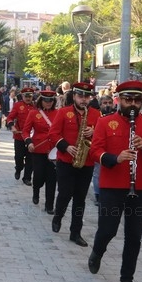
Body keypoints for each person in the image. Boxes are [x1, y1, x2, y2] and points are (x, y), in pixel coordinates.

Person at [88, 81, 142, 282]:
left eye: (137, 100)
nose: (132, 104)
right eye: (128, 99)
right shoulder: (105, 122)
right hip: (112, 187)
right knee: (108, 230)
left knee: (134, 237)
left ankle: (126, 279)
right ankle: (97, 251)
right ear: (119, 99)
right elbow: (95, 151)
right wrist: (116, 158)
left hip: (139, 189)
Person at [48, 82, 100, 247]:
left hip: (87, 162)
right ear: (74, 96)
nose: (84, 100)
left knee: (80, 199)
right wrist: (66, 147)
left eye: (87, 97)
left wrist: (95, 132)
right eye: (81, 96)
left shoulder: (97, 115)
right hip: (66, 161)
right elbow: (53, 134)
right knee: (65, 194)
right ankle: (58, 217)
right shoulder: (63, 112)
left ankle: (75, 232)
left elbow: (102, 138)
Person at [21, 90, 58, 213]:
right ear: (41, 100)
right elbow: (26, 131)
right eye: (46, 100)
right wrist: (29, 142)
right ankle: (36, 191)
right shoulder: (33, 113)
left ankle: (49, 205)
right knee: (38, 176)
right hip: (38, 149)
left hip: (53, 151)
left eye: (51, 100)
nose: (48, 103)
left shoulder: (58, 113)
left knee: (52, 179)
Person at [7, 87, 35, 185]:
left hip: (31, 137)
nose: (28, 98)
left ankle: (27, 178)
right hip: (19, 136)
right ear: (22, 96)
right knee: (19, 157)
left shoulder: (36, 106)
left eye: (30, 96)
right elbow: (10, 118)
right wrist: (12, 127)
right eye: (26, 96)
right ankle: (18, 168)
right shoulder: (18, 105)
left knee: (30, 158)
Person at [91, 94, 115, 204]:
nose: (108, 105)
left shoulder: (116, 116)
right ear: (100, 105)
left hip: (112, 148)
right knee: (97, 172)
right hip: (99, 148)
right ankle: (98, 194)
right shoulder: (96, 116)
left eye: (110, 103)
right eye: (105, 103)